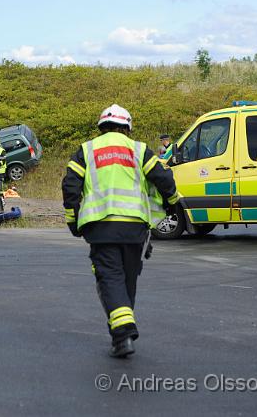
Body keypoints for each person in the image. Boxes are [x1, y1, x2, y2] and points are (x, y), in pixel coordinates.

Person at [62, 104, 179, 358]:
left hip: (101, 226)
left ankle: (123, 331)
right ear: (127, 127)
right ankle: (121, 332)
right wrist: (173, 203)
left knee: (110, 278)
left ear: (101, 127)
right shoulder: (139, 150)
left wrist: (73, 221)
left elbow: (70, 188)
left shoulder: (86, 151)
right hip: (135, 227)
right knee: (127, 279)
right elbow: (164, 178)